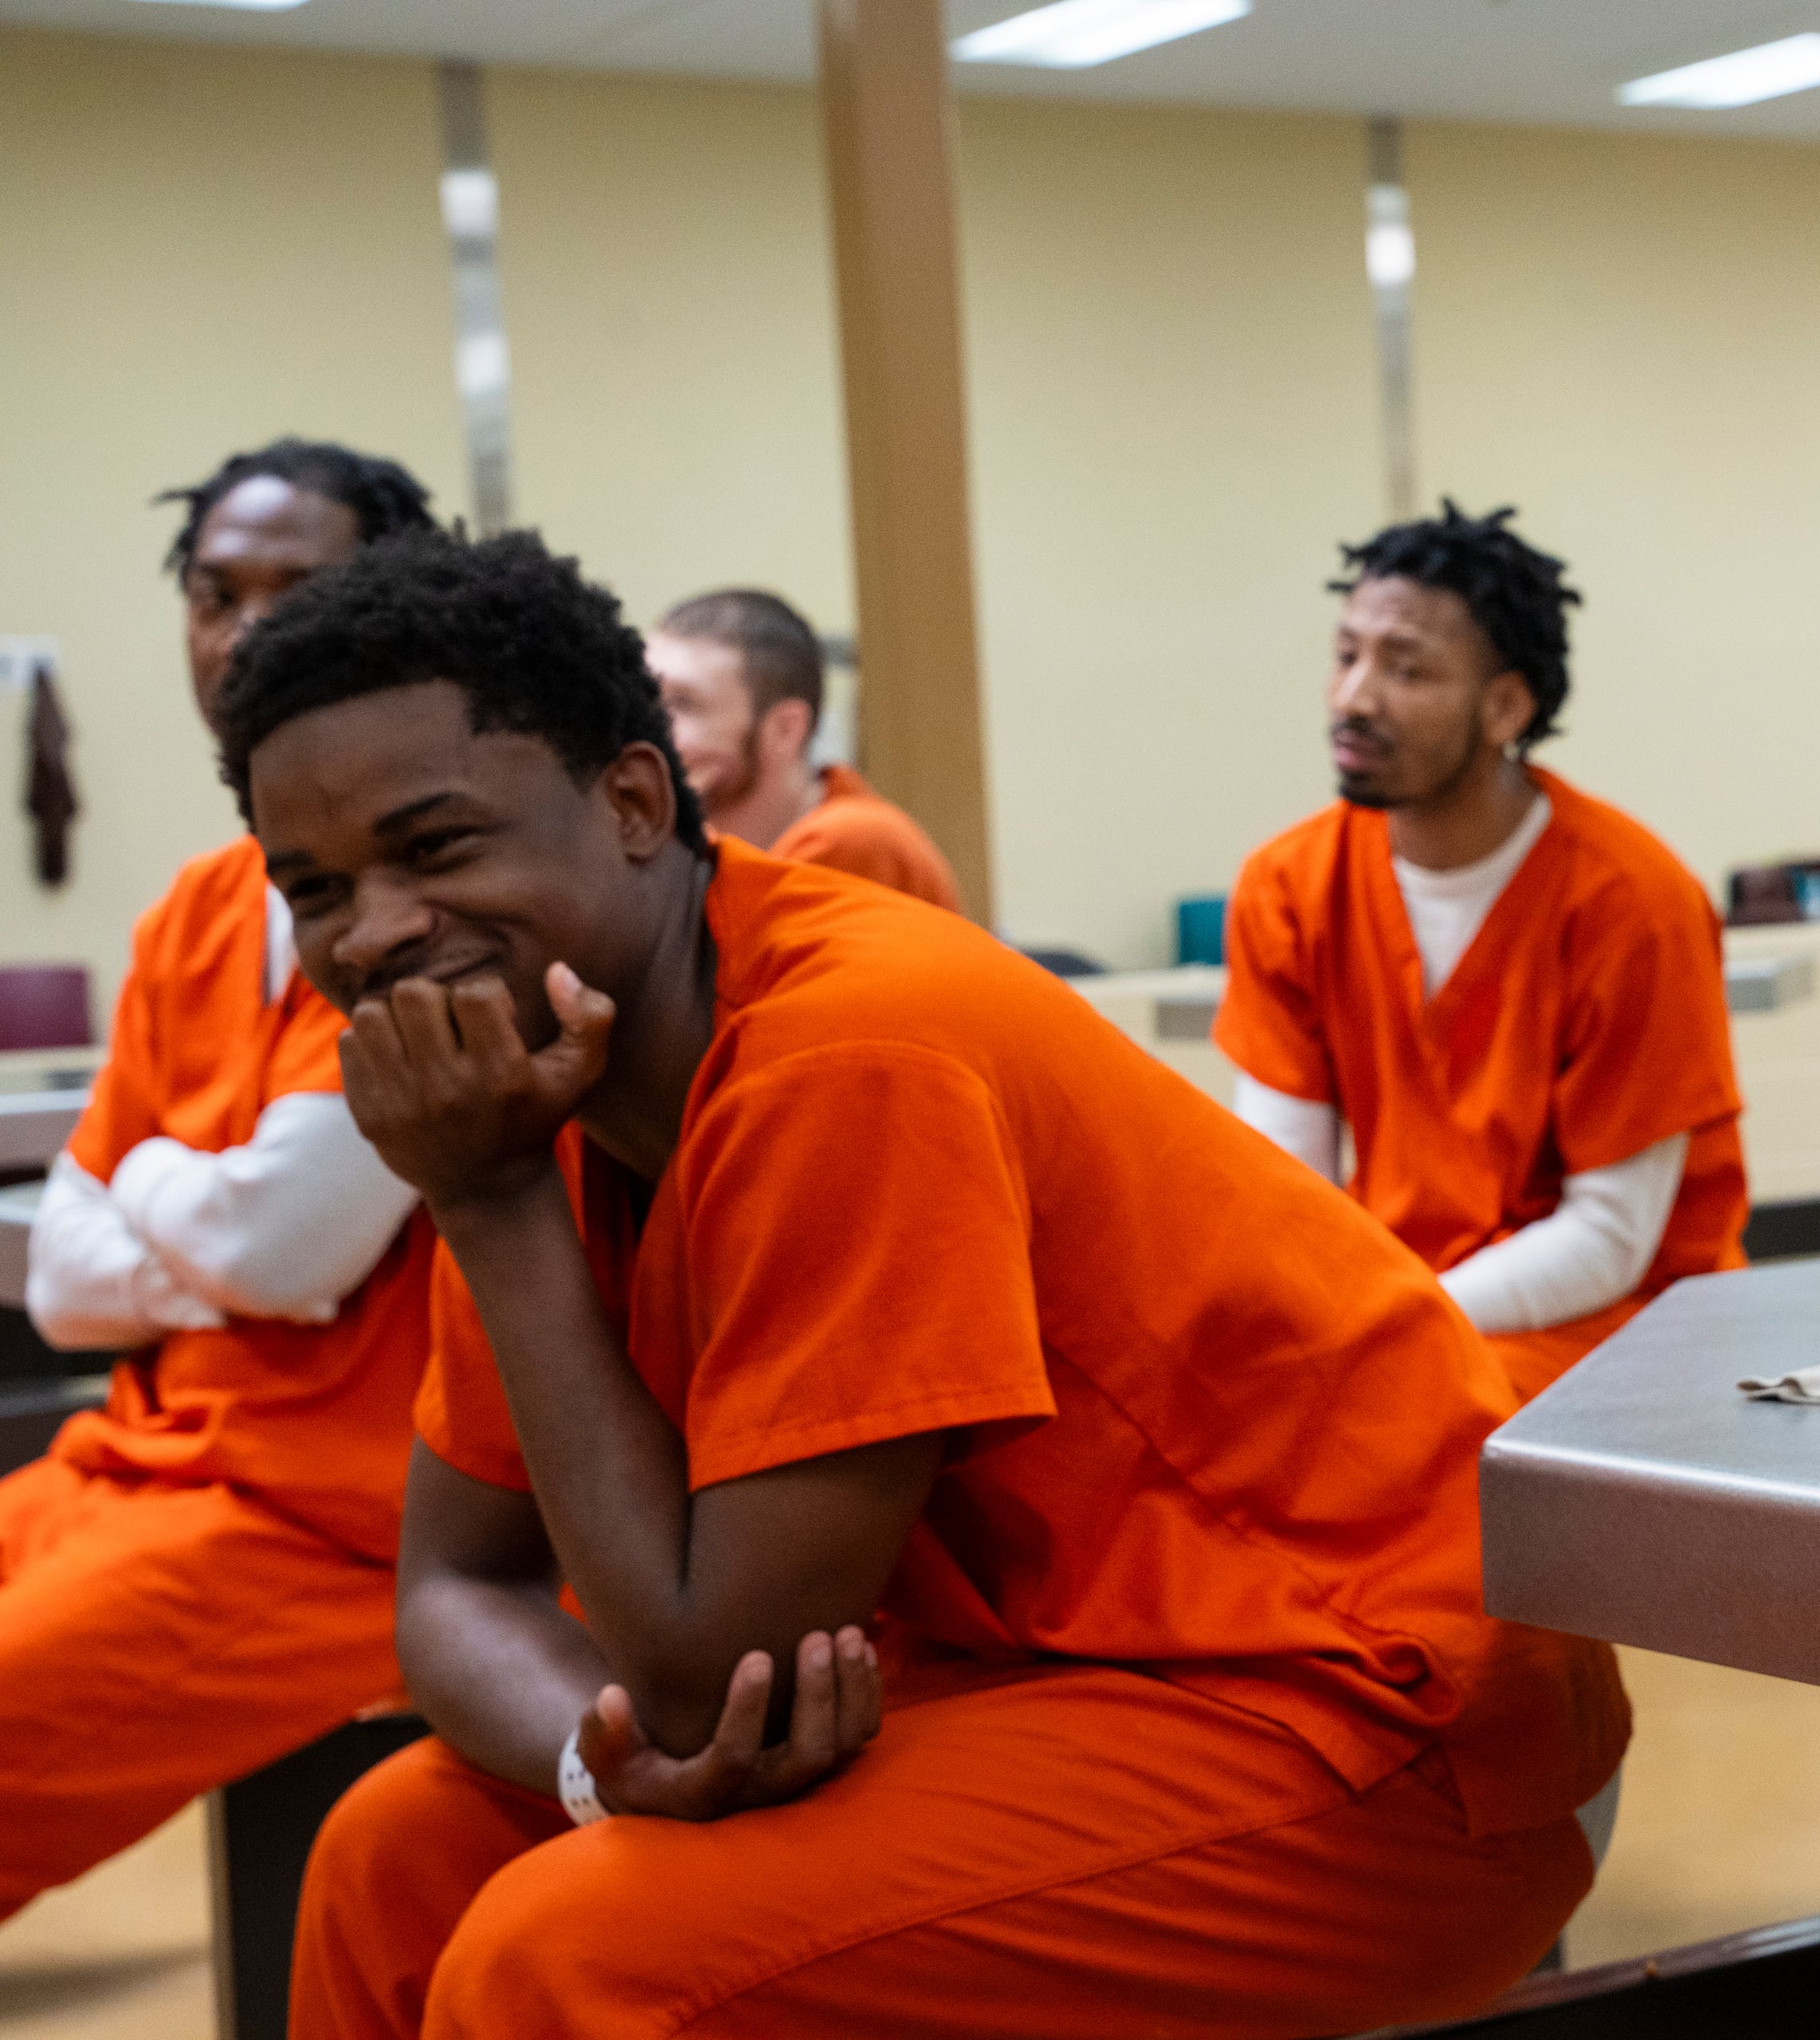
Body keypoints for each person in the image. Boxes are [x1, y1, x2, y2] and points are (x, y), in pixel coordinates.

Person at [219, 531, 1625, 2039]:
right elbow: (454, 1587)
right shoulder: (537, 1081)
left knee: (570, 1955)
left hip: (1374, 1721)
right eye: (316, 890)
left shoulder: (840, 1048)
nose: (372, 936)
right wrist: (601, 1758)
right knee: (393, 1858)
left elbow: (713, 1678)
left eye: (432, 850)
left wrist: (488, 1205)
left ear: (634, 802)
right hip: (1017, 1680)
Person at [3, 439, 443, 1918]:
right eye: (214, 590)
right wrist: (219, 1222)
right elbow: (62, 1285)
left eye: (293, 589)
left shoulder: (432, 892)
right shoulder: (195, 908)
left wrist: (162, 1207)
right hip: (136, 1455)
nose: (243, 626)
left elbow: (288, 1250)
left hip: (329, 1523)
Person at [1215, 504, 1747, 1399]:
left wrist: (1389, 1325)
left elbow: (1611, 1240)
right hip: (1398, 1309)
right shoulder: (1288, 885)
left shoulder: (1634, 902)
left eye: (1405, 668)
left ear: (1506, 705)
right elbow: (1287, 1190)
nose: (1354, 697)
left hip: (1619, 1325)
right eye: (1346, 656)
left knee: (1405, 1433)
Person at [645, 586, 961, 910]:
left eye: (683, 704)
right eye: (645, 695)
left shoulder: (850, 841)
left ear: (785, 729)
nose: (647, 725)